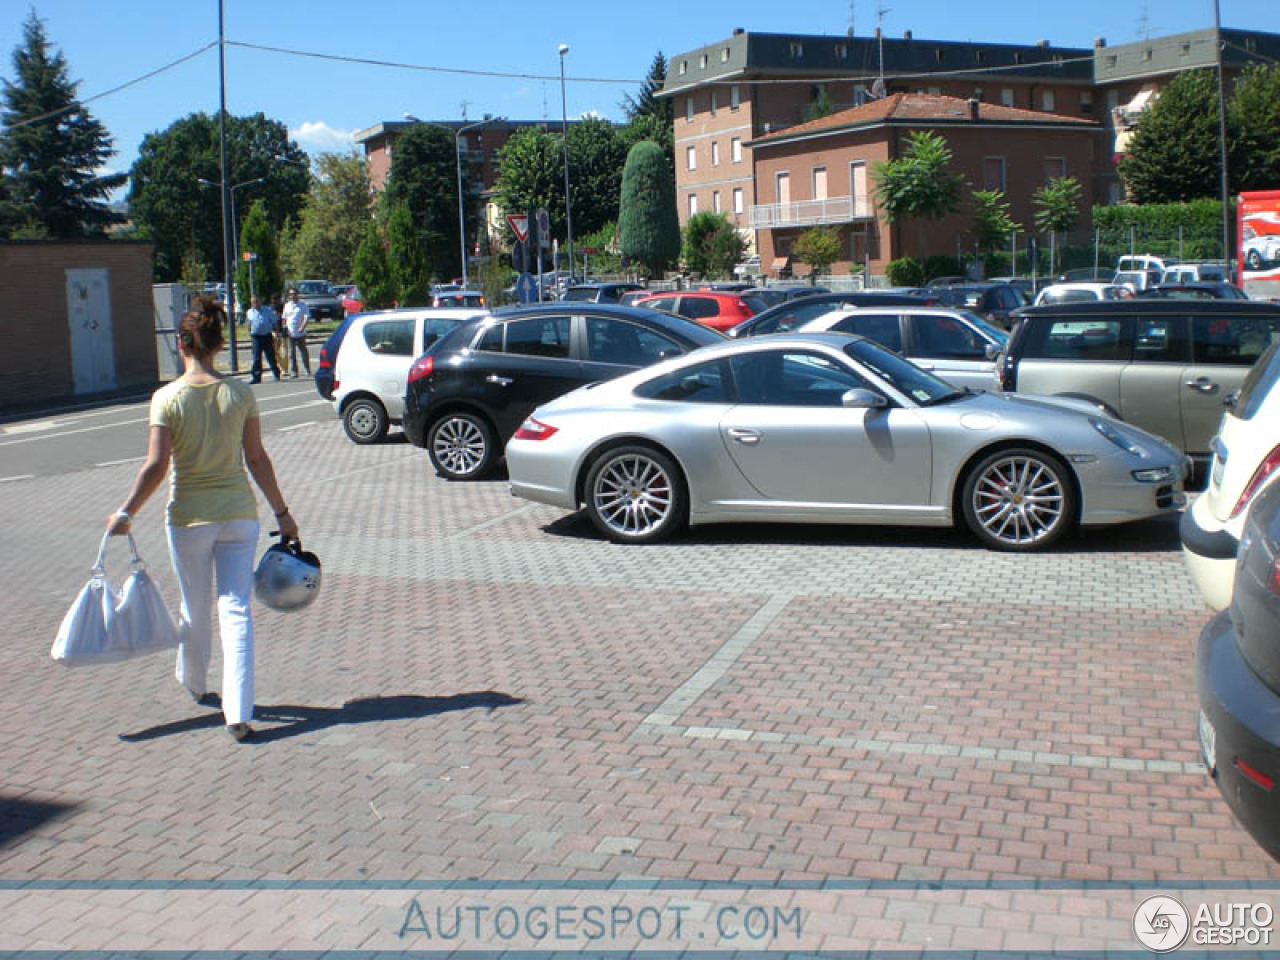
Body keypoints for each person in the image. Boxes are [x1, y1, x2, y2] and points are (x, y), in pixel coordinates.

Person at [106, 297, 300, 743]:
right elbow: (257, 459)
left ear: (182, 343)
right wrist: (283, 513)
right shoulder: (240, 393)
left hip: (189, 517)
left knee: (194, 608)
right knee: (236, 609)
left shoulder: (166, 398)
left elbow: (156, 466)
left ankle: (195, 683)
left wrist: (126, 513)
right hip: (239, 515)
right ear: (217, 344)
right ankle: (238, 710)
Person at [245, 295, 282, 383]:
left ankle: (276, 373)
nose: (255, 304)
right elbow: (248, 324)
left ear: (260, 302)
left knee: (271, 356)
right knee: (257, 357)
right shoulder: (249, 312)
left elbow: (275, 321)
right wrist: (250, 333)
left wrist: (276, 333)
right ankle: (257, 377)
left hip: (267, 336)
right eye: (253, 302)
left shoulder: (267, 310)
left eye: (257, 301)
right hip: (256, 337)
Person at [282, 288, 311, 379]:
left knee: (303, 352)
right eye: (291, 294)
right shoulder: (287, 306)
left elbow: (307, 317)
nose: (293, 296)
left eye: (294, 294)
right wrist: (285, 328)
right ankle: (294, 371)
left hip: (300, 333)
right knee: (291, 353)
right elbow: (284, 318)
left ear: (297, 294)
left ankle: (306, 368)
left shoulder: (302, 305)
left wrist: (302, 327)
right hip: (291, 333)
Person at [270, 293, 289, 375]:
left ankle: (285, 368)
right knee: (275, 351)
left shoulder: (284, 307)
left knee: (284, 350)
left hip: (283, 331)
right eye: (273, 299)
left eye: (277, 299)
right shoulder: (270, 308)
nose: (275, 301)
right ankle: (280, 366)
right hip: (273, 332)